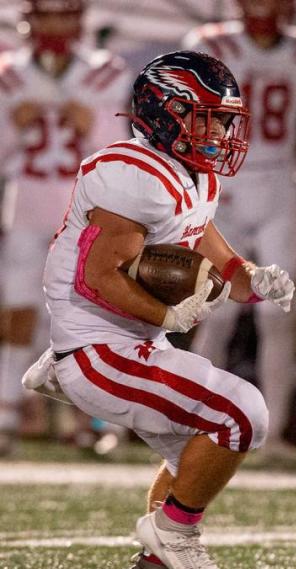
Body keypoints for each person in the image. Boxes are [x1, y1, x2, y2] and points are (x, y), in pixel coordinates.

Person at [25, 51, 295, 569]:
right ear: (167, 110)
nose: (220, 129)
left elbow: (198, 229)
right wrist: (169, 314)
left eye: (224, 119)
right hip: (97, 345)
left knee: (195, 453)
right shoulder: (131, 173)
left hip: (132, 341)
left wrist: (246, 275)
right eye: (208, 116)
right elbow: (96, 277)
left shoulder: (190, 171)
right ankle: (174, 531)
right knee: (241, 413)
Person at [184, 0, 296, 463]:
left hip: (278, 185)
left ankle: (271, 428)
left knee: (277, 313)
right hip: (227, 185)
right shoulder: (210, 45)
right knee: (214, 310)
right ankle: (202, 425)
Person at [0, 0, 129, 457]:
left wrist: (90, 125)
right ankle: (7, 413)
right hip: (26, 202)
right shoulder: (8, 70)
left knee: (88, 313)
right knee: (16, 308)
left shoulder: (104, 70)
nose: (54, 25)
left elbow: (117, 151)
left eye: (63, 14)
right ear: (29, 19)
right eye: (45, 14)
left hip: (83, 208)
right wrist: (12, 129)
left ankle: (91, 418)